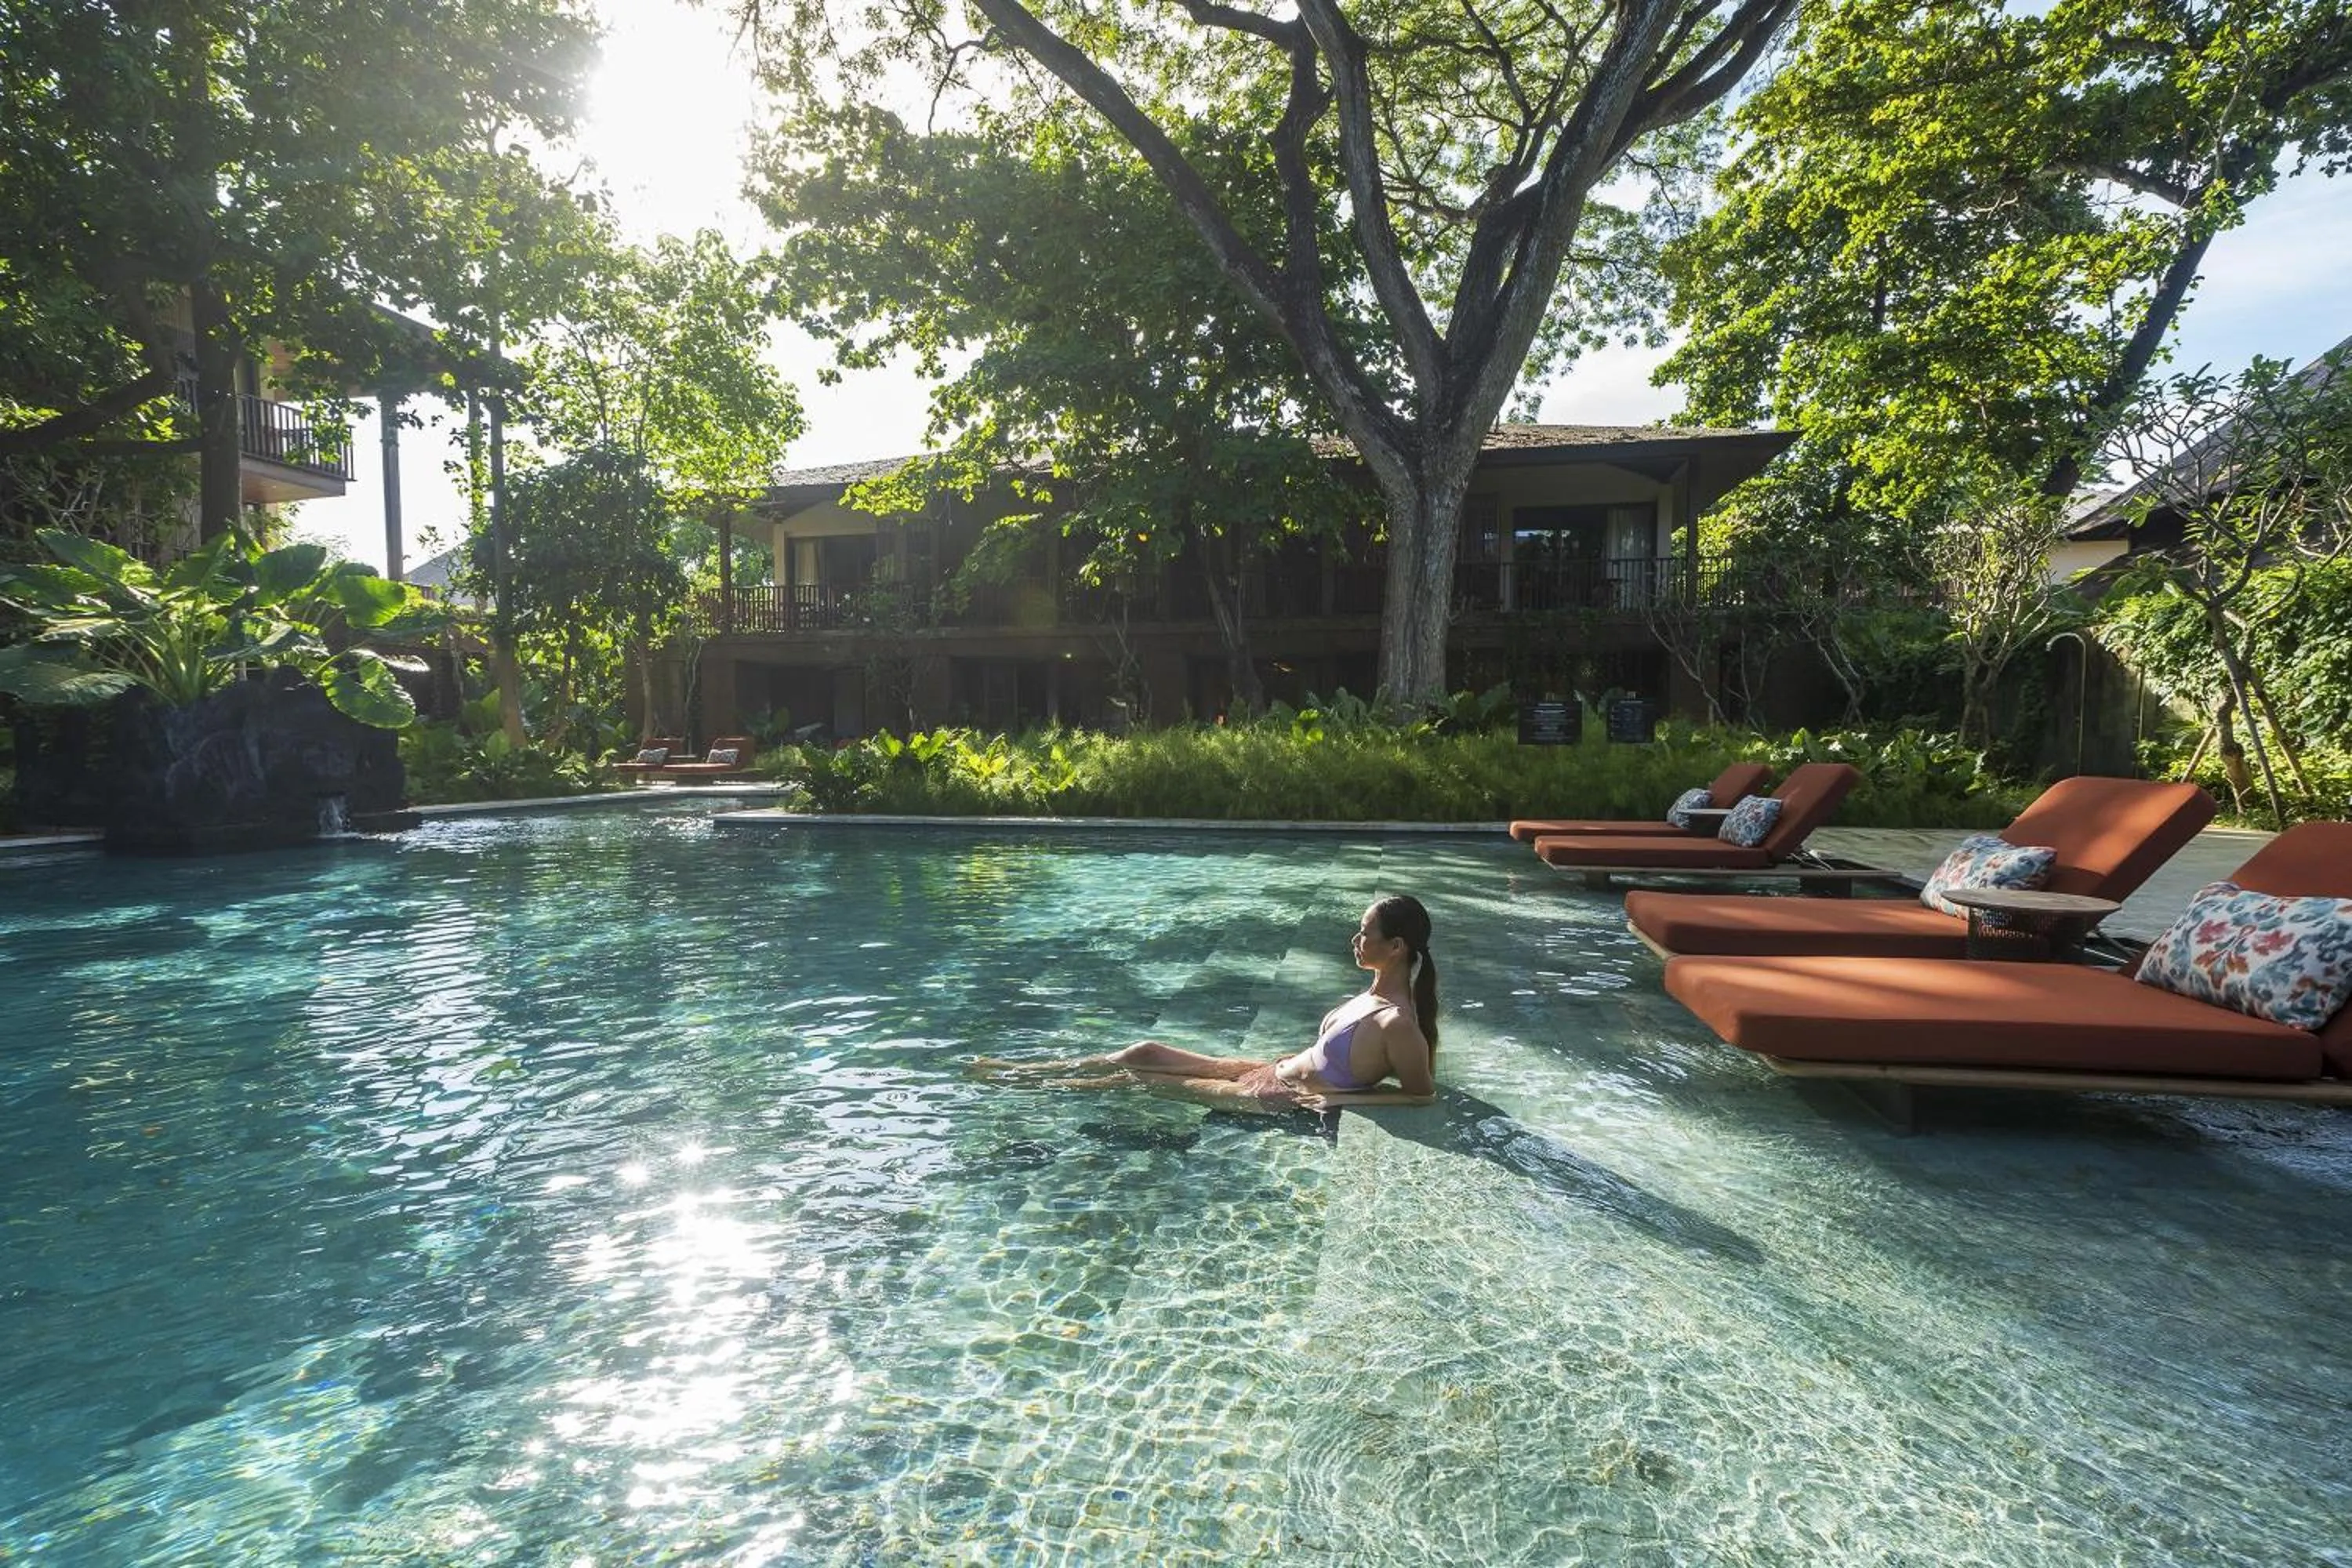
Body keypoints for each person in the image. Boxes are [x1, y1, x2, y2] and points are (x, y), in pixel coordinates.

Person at [972, 895, 1440, 1112]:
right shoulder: (1374, 993)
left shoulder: (1397, 1022)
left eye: (1366, 933)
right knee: (1145, 1052)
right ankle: (1031, 1068)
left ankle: (1024, 1089)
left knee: (1138, 1080)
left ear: (1396, 947)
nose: (1355, 939)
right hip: (1271, 1070)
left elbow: (1421, 1096)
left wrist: (1333, 1097)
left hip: (1277, 1098)